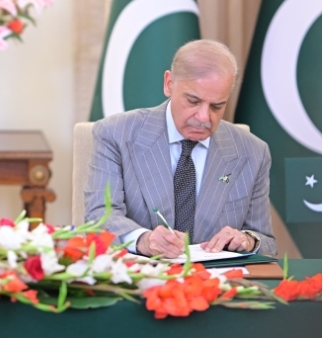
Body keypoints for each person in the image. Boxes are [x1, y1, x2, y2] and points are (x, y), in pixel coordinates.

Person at [84, 40, 276, 257]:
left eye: (216, 106)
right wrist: (143, 240)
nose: (203, 117)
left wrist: (248, 241)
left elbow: (266, 243)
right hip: (141, 272)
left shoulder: (253, 152)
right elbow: (99, 216)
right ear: (169, 84)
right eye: (193, 101)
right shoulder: (116, 134)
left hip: (219, 277)